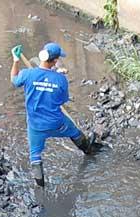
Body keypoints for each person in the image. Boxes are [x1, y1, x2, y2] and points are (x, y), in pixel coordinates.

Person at [10, 42, 96, 187]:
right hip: (57, 123)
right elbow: (63, 100)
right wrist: (55, 78)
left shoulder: (27, 74)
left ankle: (40, 187)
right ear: (55, 60)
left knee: (35, 155)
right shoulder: (60, 79)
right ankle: (88, 150)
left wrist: (16, 60)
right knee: (74, 132)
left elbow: (14, 80)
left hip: (36, 126)